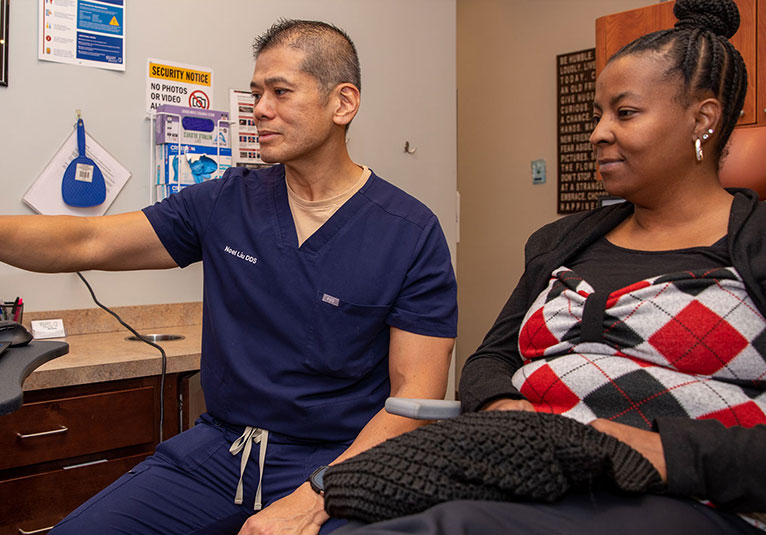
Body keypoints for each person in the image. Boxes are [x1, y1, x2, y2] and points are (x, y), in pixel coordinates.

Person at [332, 1, 766, 534]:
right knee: (356, 513)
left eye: (624, 113)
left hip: (694, 501)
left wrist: (653, 447)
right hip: (536, 477)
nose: (598, 132)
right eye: (598, 114)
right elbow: (488, 361)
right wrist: (506, 409)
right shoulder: (559, 243)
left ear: (703, 119)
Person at [0, 19, 457, 535]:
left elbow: (417, 398)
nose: (259, 108)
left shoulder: (410, 232)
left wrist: (317, 496)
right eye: (257, 92)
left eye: (280, 92)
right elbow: (87, 241)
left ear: (342, 103)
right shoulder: (226, 200)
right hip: (223, 448)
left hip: (343, 460)